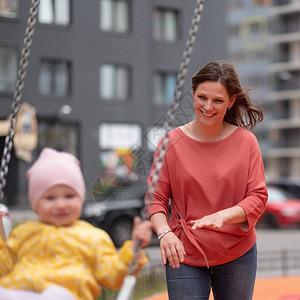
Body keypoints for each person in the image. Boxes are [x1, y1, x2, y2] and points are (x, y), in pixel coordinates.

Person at [145, 60, 268, 300]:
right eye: (202, 97)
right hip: (183, 253)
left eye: (218, 100)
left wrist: (222, 216)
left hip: (237, 253)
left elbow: (258, 197)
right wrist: (164, 233)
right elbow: (155, 198)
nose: (208, 107)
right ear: (192, 93)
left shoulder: (247, 142)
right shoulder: (170, 143)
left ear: (231, 101)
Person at [0, 148, 152, 300]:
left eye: (69, 196)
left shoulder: (92, 238)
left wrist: (134, 248)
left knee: (56, 295)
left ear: (80, 199)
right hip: (19, 292)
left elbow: (113, 275)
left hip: (66, 294)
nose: (61, 205)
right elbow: (4, 268)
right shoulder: (24, 233)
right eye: (50, 198)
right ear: (35, 203)